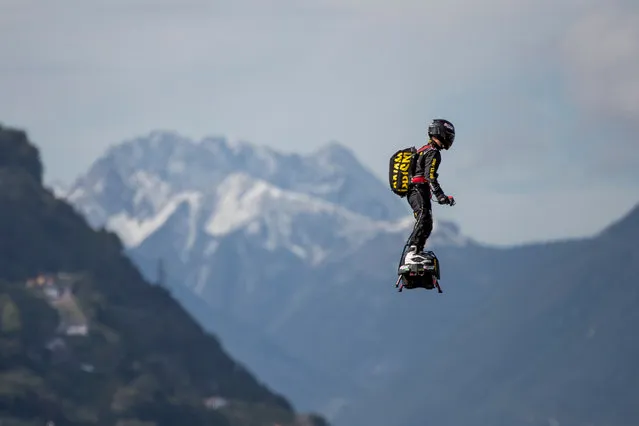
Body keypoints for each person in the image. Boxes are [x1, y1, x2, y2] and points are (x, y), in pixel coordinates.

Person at [402, 118, 456, 266]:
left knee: (426, 220)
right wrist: (441, 196)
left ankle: (417, 251)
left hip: (414, 190)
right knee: (424, 218)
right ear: (441, 133)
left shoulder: (423, 149)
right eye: (449, 134)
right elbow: (430, 176)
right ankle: (413, 253)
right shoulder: (433, 153)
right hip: (419, 189)